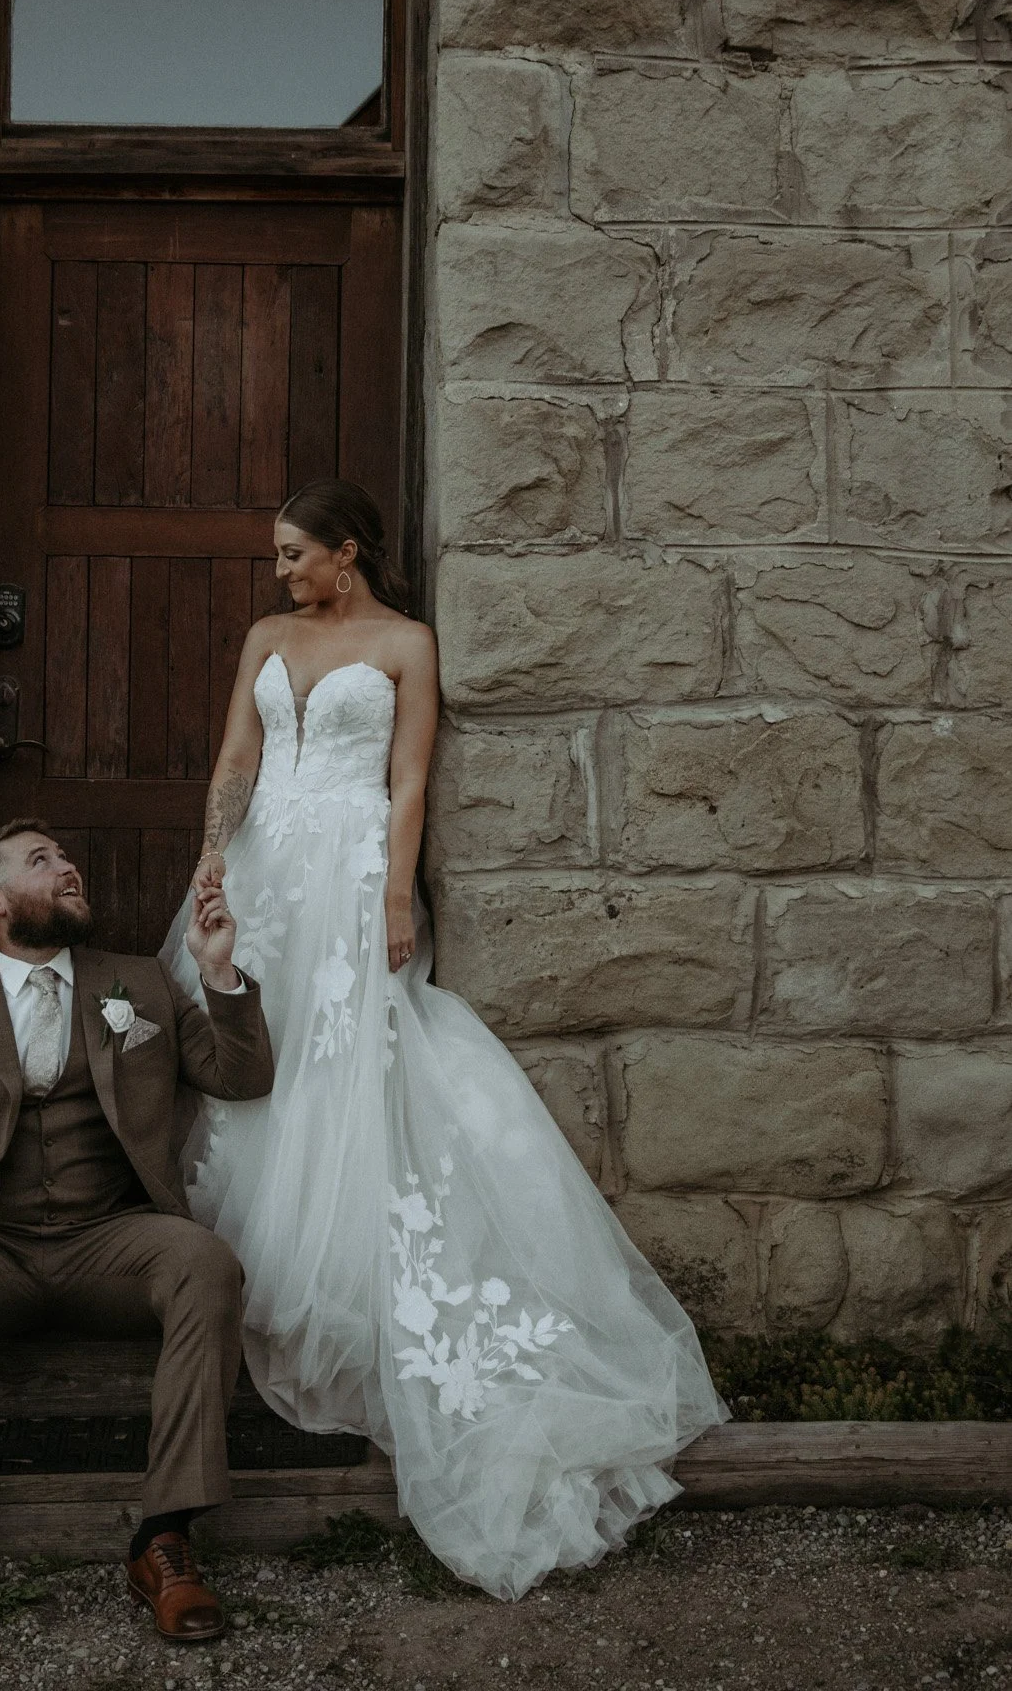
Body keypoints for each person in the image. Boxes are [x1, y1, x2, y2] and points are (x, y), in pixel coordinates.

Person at [164, 478, 727, 1601]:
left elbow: (410, 774)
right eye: (277, 556)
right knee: (253, 1040)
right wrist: (214, 853)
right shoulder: (266, 637)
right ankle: (249, 1267)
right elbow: (236, 759)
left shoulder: (407, 644)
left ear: (346, 552)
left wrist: (395, 892)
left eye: (293, 553)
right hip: (267, 870)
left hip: (352, 864)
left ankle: (358, 1287)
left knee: (344, 1054)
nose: (280, 572)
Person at [0, 820, 271, 1659]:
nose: (68, 868)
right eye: (42, 861)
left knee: (205, 1265)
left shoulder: (139, 982)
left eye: (66, 857)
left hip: (112, 1240)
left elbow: (241, 1077)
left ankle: (164, 1538)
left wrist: (218, 973)